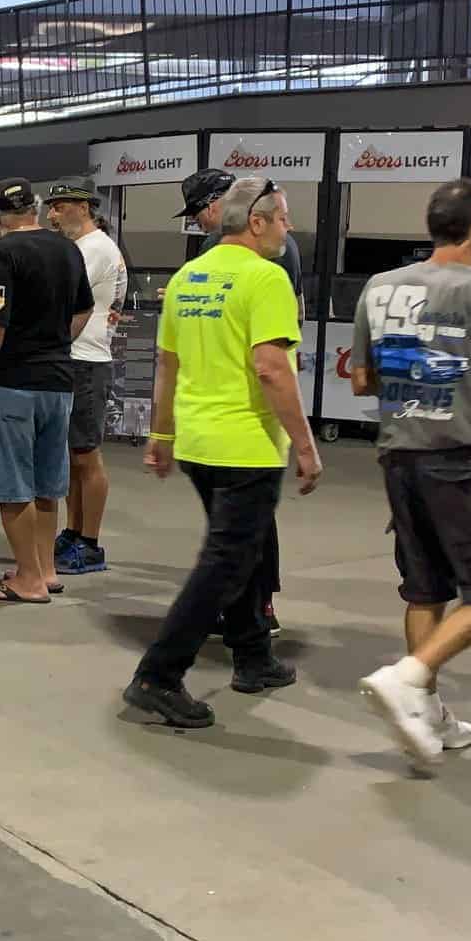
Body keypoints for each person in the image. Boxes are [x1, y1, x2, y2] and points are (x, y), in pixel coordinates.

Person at [349, 179, 471, 765]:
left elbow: (361, 379)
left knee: (426, 588)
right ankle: (409, 677)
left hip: (399, 457)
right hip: (460, 461)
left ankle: (425, 713)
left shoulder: (380, 287)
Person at [124, 177, 319, 727]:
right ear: (256, 222)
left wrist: (162, 436)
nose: (288, 228)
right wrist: (306, 447)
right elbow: (272, 368)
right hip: (245, 445)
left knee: (245, 551)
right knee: (226, 562)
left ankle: (253, 657)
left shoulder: (188, 277)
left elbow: (168, 365)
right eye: (282, 218)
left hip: (197, 441)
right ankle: (158, 675)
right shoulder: (266, 278)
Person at [180, 165, 302, 635]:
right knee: (240, 522)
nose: (198, 220)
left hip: (240, 409)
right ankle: (247, 613)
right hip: (233, 408)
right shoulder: (260, 249)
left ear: (221, 203)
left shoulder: (257, 255)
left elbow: (267, 355)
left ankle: (252, 610)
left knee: (244, 523)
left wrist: (304, 443)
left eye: (199, 210)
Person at [0, 179, 92, 605]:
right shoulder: (68, 249)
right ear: (36, 208)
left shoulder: (0, 253)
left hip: (12, 382)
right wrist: (55, 342)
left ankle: (27, 579)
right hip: (58, 382)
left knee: (13, 484)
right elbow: (84, 308)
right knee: (47, 482)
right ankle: (45, 569)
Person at [43, 180, 126, 576]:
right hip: (75, 359)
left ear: (83, 207)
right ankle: (74, 531)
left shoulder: (94, 249)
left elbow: (59, 296)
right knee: (75, 456)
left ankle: (90, 543)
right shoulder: (83, 247)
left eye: (59, 207)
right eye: (51, 207)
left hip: (87, 362)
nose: (52, 215)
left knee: (86, 455)